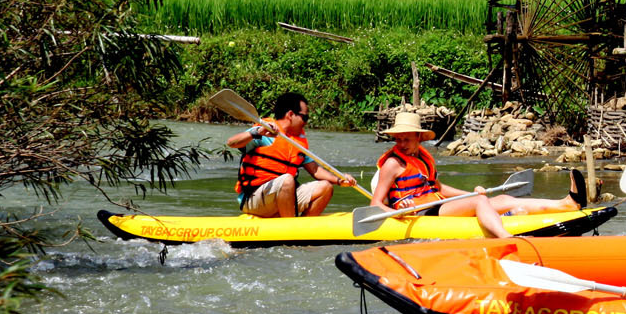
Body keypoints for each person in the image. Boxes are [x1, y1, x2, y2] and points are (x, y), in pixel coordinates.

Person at [373, 109, 589, 239]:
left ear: (418, 138)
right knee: (479, 202)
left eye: (406, 139)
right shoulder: (393, 163)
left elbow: (437, 188)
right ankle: (504, 235)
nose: (401, 144)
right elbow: (376, 204)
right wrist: (395, 214)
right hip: (419, 214)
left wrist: (469, 195)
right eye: (398, 139)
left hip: (436, 205)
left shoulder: (421, 158)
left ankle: (566, 204)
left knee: (503, 198)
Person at [229, 92, 359, 217]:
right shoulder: (265, 131)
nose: (306, 122)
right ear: (290, 114)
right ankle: (288, 231)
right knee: (287, 180)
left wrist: (339, 180)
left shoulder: (298, 142)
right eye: (305, 117)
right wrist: (256, 132)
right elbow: (232, 143)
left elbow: (315, 170)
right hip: (254, 198)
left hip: (285, 197)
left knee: (325, 187)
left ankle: (301, 231)